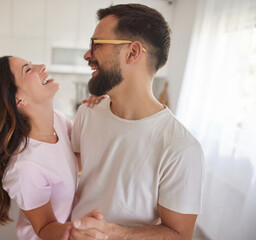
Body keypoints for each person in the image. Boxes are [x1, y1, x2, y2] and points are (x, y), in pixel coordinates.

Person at [69, 4, 205, 240]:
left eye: (97, 44)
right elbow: (72, 168)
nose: (87, 55)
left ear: (132, 53)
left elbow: (179, 235)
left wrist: (113, 233)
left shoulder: (181, 148)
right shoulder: (88, 113)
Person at [0, 56, 106, 240]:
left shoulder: (57, 120)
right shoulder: (25, 166)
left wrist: (103, 109)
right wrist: (75, 230)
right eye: (28, 70)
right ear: (19, 100)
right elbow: (44, 228)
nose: (41, 66)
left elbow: (76, 160)